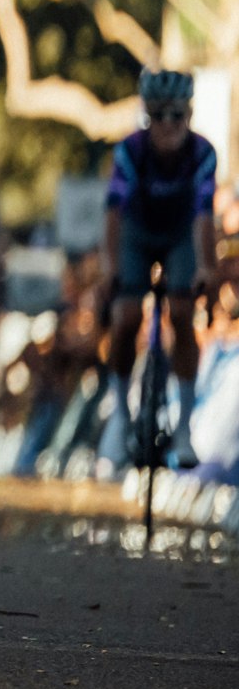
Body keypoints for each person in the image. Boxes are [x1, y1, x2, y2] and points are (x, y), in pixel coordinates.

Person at [99, 66, 223, 470]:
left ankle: (184, 428)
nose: (168, 125)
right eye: (158, 116)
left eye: (178, 116)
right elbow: (114, 213)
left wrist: (206, 265)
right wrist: (109, 267)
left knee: (184, 314)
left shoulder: (203, 153)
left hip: (179, 235)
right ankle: (120, 416)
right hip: (137, 232)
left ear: (189, 115)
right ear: (146, 117)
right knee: (125, 316)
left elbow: (204, 215)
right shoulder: (129, 151)